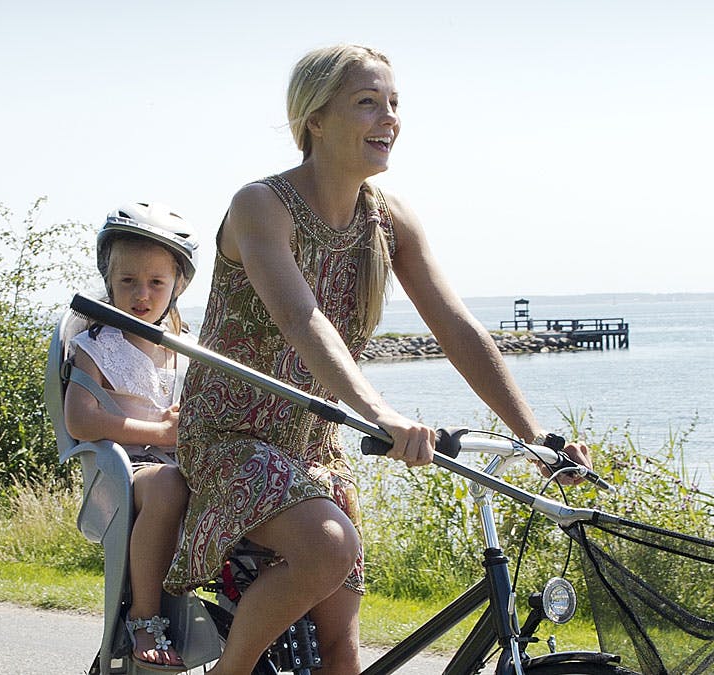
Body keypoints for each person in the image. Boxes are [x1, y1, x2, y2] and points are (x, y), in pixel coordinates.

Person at [162, 45, 594, 675]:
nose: (388, 117)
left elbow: (457, 328)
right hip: (229, 437)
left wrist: (537, 437)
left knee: (342, 645)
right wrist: (382, 413)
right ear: (314, 118)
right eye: (368, 102)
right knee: (328, 549)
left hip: (311, 445)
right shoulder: (262, 206)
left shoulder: (389, 221)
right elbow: (301, 320)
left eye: (394, 103)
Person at [64, 202, 198, 672]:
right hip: (126, 469)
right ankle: (145, 616)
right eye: (128, 282)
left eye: (156, 283)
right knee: (168, 485)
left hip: (180, 463)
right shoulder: (98, 345)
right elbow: (81, 419)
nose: (142, 294)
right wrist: (160, 430)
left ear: (177, 287)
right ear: (109, 282)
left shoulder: (183, 349)